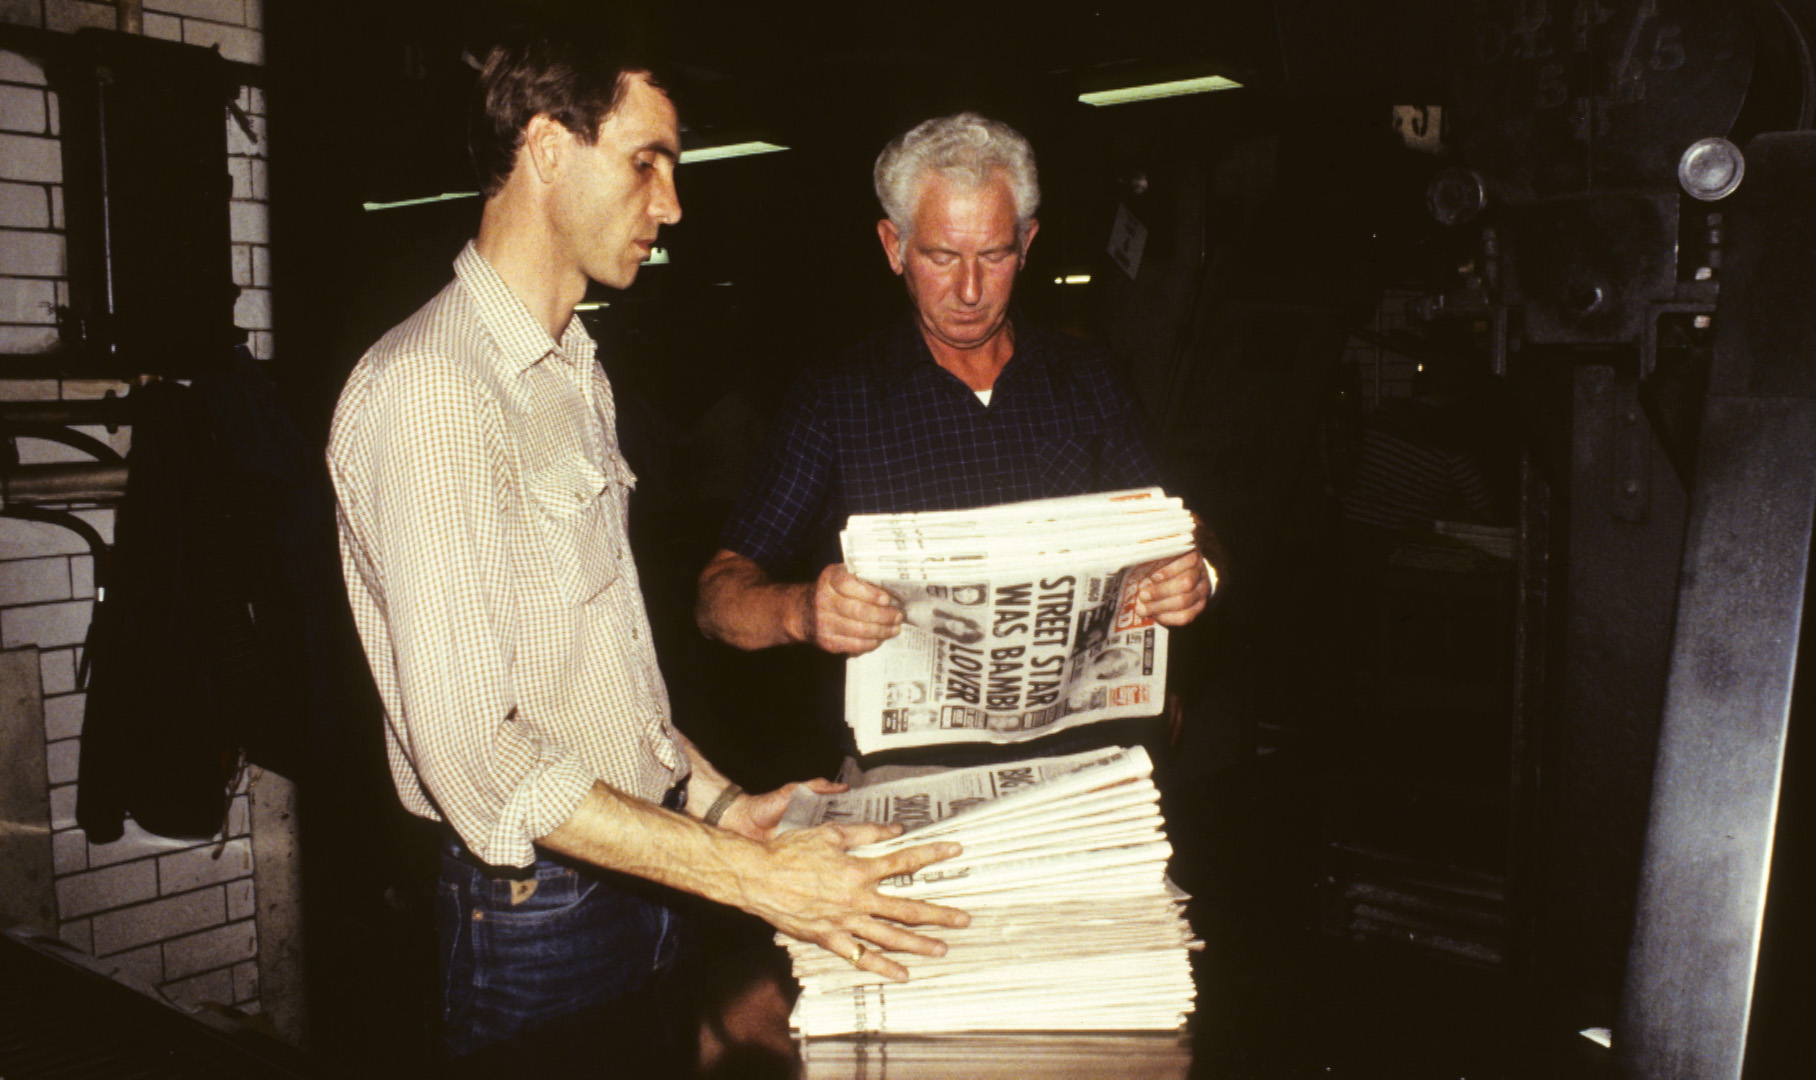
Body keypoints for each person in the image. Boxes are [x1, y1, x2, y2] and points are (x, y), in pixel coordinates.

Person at [326, 32, 967, 1067]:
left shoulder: (573, 369)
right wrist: (750, 880)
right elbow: (477, 757)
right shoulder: (435, 391)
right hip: (539, 914)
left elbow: (601, 686)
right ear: (544, 149)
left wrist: (726, 809)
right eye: (645, 161)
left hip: (640, 875)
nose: (670, 204)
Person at [695, 111, 1214, 761]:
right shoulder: (835, 399)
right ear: (894, 247)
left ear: (1026, 243)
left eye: (994, 256)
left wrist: (1200, 577)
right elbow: (718, 598)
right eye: (941, 257)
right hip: (910, 777)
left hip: (1078, 768)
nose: (969, 291)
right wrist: (801, 611)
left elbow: (1188, 531)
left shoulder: (1091, 380)